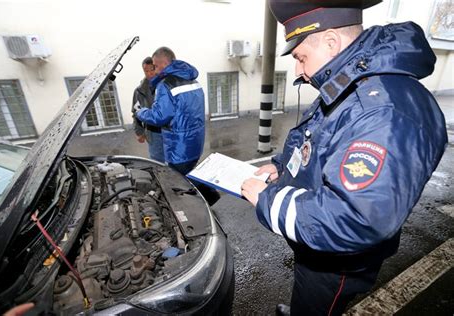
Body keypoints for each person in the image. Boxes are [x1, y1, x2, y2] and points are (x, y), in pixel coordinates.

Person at [241, 1, 448, 315]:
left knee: (318, 306)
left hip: (336, 262)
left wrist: (267, 200)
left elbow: (356, 219)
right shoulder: (350, 84)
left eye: (300, 57)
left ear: (331, 43)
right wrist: (281, 167)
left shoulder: (382, 111)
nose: (299, 71)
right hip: (316, 238)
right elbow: (319, 140)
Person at [136, 47, 205, 175]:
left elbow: (159, 116)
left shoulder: (165, 85)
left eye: (155, 66)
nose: (155, 71)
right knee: (191, 177)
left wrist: (141, 112)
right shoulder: (193, 81)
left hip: (179, 149)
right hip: (196, 145)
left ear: (164, 64)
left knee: (179, 185)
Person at [131, 57, 165, 163]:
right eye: (146, 71)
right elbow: (135, 112)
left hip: (170, 131)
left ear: (156, 68)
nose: (150, 73)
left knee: (174, 162)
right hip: (153, 133)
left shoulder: (166, 85)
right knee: (158, 162)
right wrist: (139, 132)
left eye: (152, 69)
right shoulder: (139, 91)